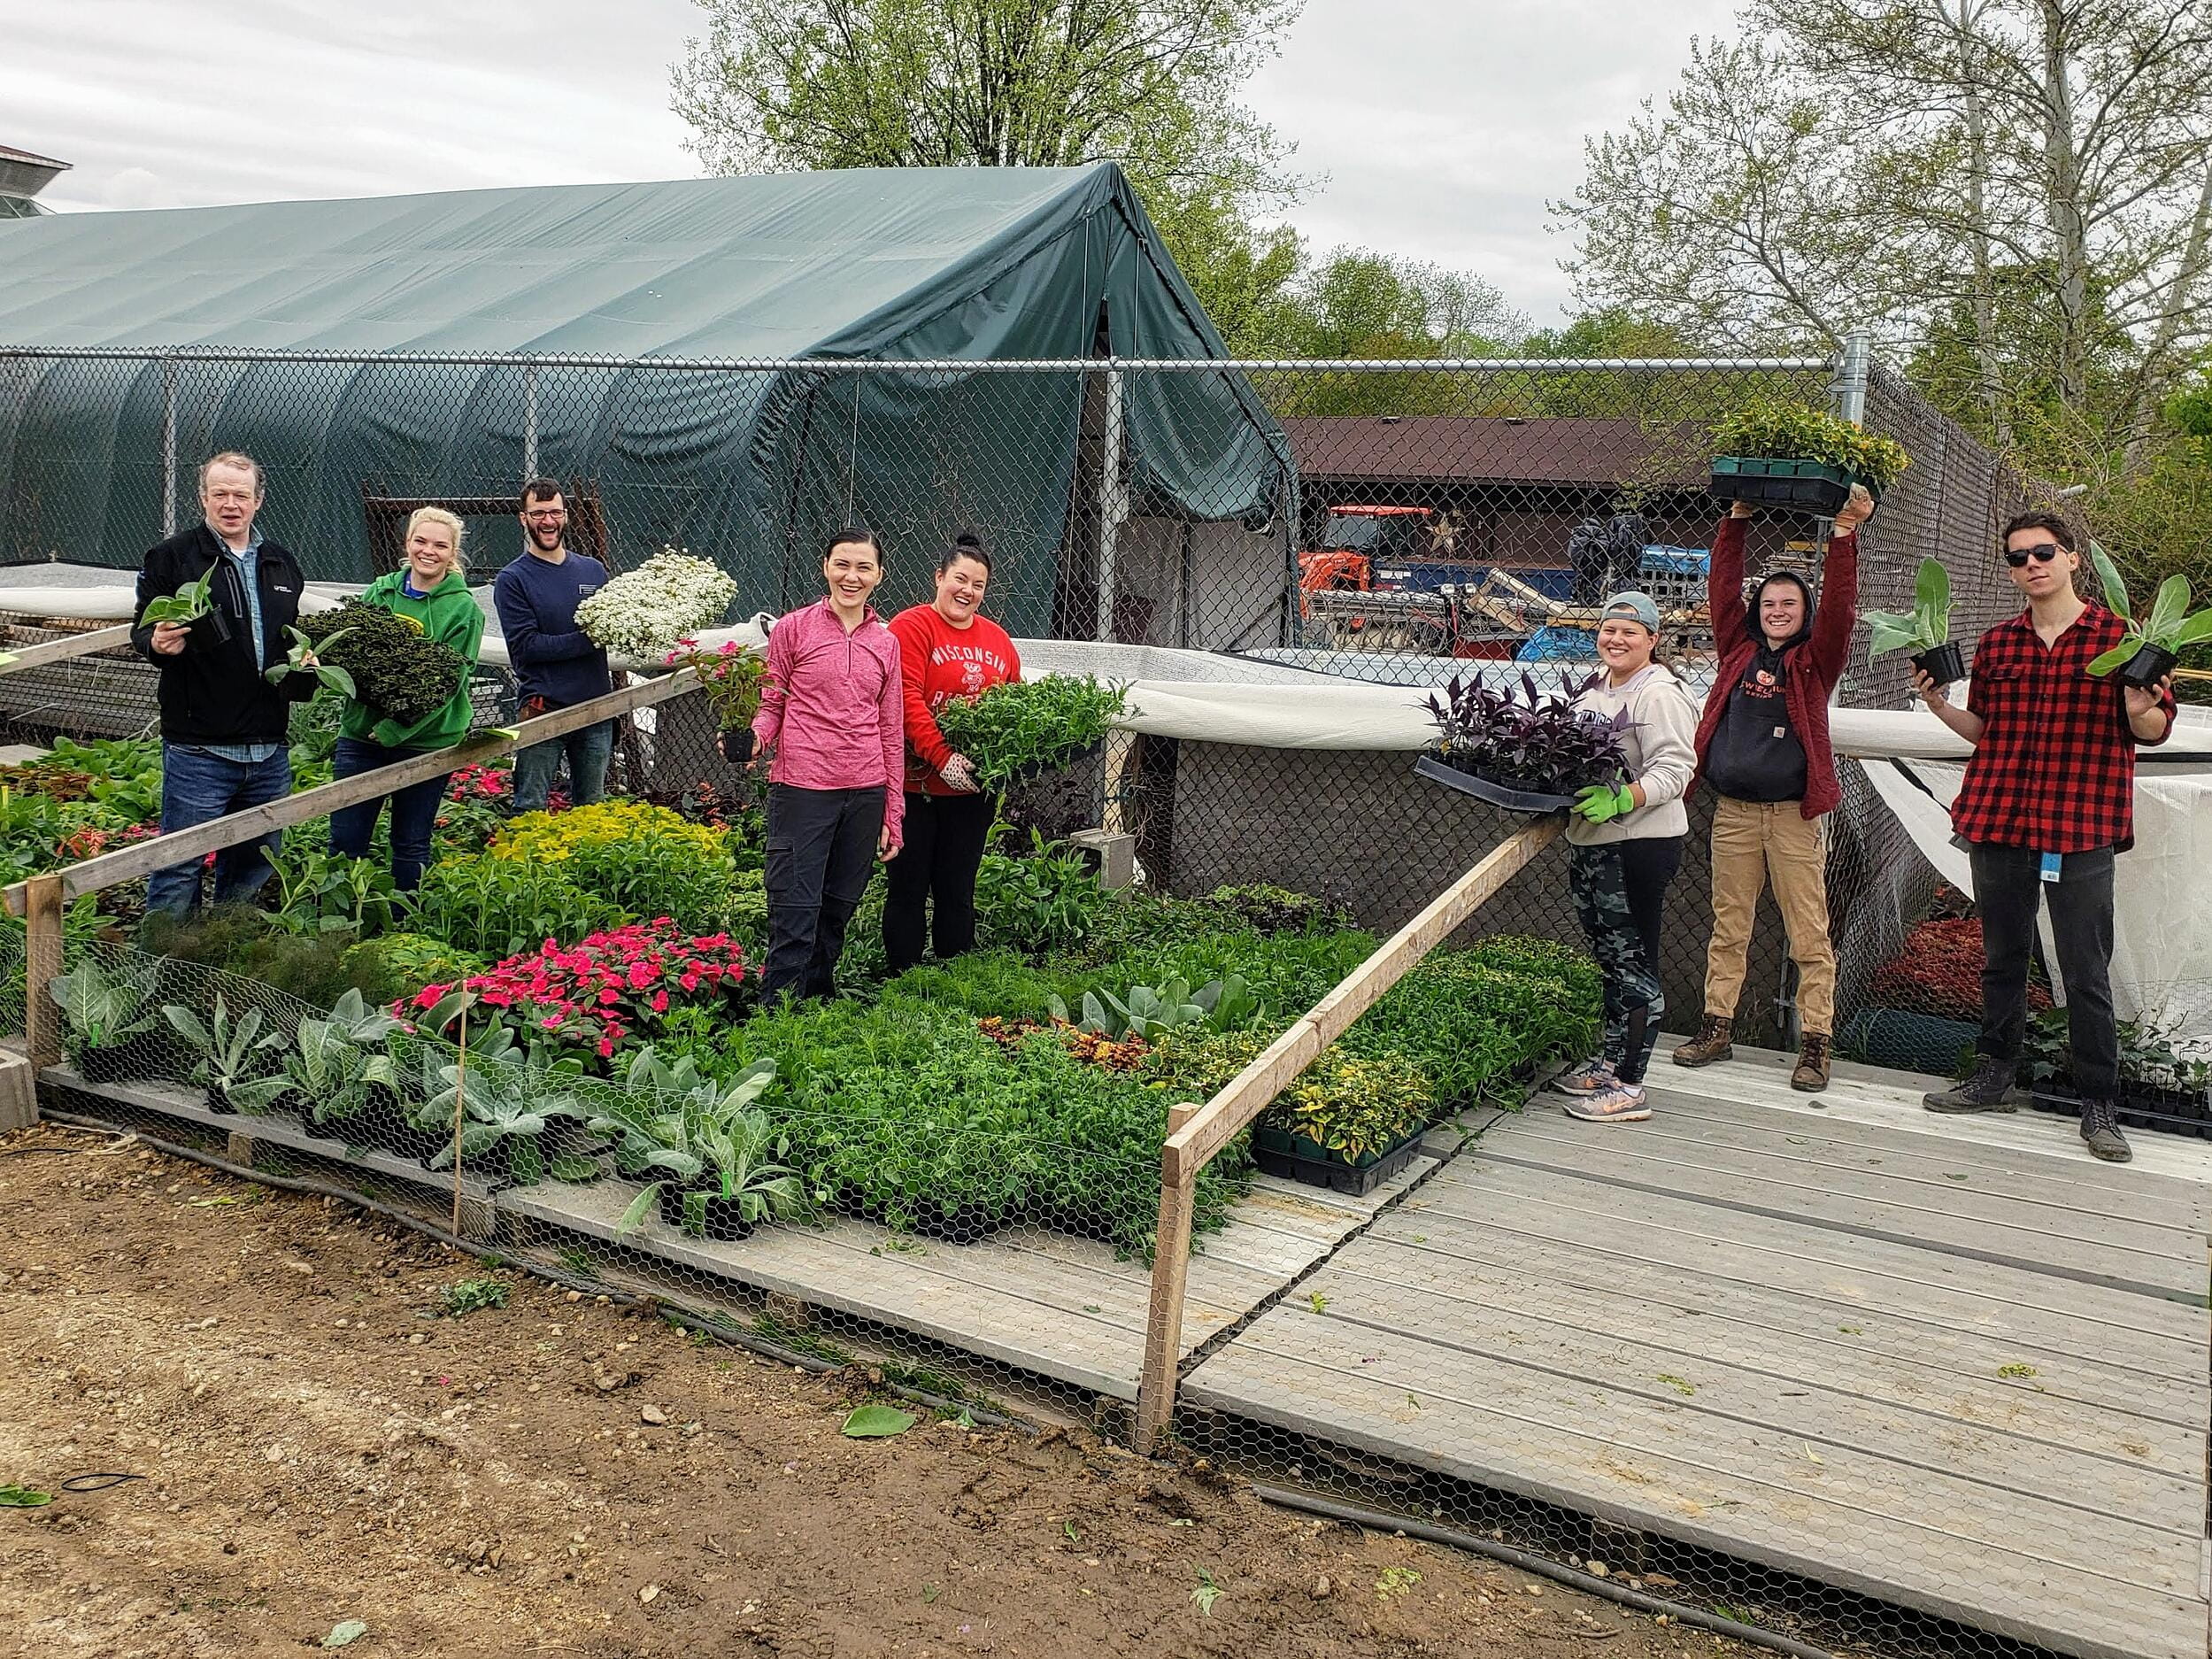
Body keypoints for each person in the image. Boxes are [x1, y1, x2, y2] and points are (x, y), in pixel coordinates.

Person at [1915, 511, 2176, 1162]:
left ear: (2071, 559)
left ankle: (2098, 1103)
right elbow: (1986, 732)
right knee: (2001, 957)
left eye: (2041, 552)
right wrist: (1941, 707)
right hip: (1999, 817)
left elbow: (2152, 731)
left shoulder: (2122, 640)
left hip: (2080, 823)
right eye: (2017, 557)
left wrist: (2140, 711)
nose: (2029, 564)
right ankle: (1993, 1076)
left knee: (2085, 969)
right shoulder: (1998, 643)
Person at [1673, 484, 1871, 1092]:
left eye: (1788, 603)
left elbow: (1839, 606)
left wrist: (1844, 536)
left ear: (1802, 611)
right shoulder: (1738, 651)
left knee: (1808, 934)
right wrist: (1733, 522)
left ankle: (1815, 1043)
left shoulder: (1816, 658)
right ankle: (1716, 1027)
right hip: (1733, 813)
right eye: (1768, 602)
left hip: (1792, 818)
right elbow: (1720, 589)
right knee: (1728, 925)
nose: (1776, 609)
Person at [132, 451, 320, 918]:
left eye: (241, 495)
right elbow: (143, 628)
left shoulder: (280, 562)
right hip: (201, 748)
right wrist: (156, 642)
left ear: (258, 501)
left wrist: (303, 661)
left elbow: (288, 637)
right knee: (179, 865)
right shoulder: (174, 557)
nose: (230, 504)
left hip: (268, 747)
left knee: (252, 866)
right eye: (220, 494)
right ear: (204, 499)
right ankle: (162, 969)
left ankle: (227, 959)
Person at [1555, 591, 1699, 1124]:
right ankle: (1610, 1063)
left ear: (1654, 640)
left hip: (1637, 844)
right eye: (1609, 630)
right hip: (1592, 840)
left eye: (1630, 633)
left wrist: (1625, 797)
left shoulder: (1659, 694)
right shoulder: (1596, 687)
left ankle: (1631, 1086)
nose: (1616, 640)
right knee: (1610, 959)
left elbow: (1677, 767)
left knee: (1634, 964)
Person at [750, 529, 905, 1004]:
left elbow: (891, 730)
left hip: (865, 790)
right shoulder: (794, 629)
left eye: (863, 567)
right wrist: (756, 736)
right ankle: (776, 1007)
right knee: (795, 903)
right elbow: (771, 700)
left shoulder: (886, 642)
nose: (851, 576)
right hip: (802, 787)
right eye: (843, 565)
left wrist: (892, 814)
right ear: (826, 568)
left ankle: (818, 999)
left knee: (839, 903)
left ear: (878, 575)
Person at [882, 534, 1022, 974]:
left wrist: (1008, 761)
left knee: (957, 887)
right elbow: (904, 699)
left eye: (978, 585)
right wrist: (942, 756)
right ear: (939, 578)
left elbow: (1016, 704)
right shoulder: (911, 626)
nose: (967, 591)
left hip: (971, 791)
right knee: (908, 886)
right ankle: (901, 978)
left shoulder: (997, 639)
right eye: (960, 579)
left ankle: (953, 978)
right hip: (916, 783)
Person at [328, 507, 486, 891]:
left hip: (424, 744)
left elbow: (446, 685)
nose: (428, 551)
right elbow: (351, 654)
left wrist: (394, 729)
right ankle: (336, 925)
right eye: (420, 541)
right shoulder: (379, 591)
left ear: (453, 553)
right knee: (345, 842)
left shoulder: (463, 610)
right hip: (360, 740)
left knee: (410, 843)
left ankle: (403, 927)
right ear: (407, 543)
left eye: (440, 545)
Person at [492, 478, 613, 814]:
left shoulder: (592, 570)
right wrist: (593, 638)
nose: (548, 521)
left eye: (555, 512)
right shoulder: (513, 579)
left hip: (597, 708)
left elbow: (615, 623)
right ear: (523, 518)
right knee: (529, 807)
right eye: (539, 513)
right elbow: (527, 648)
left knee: (593, 807)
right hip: (544, 708)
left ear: (566, 515)